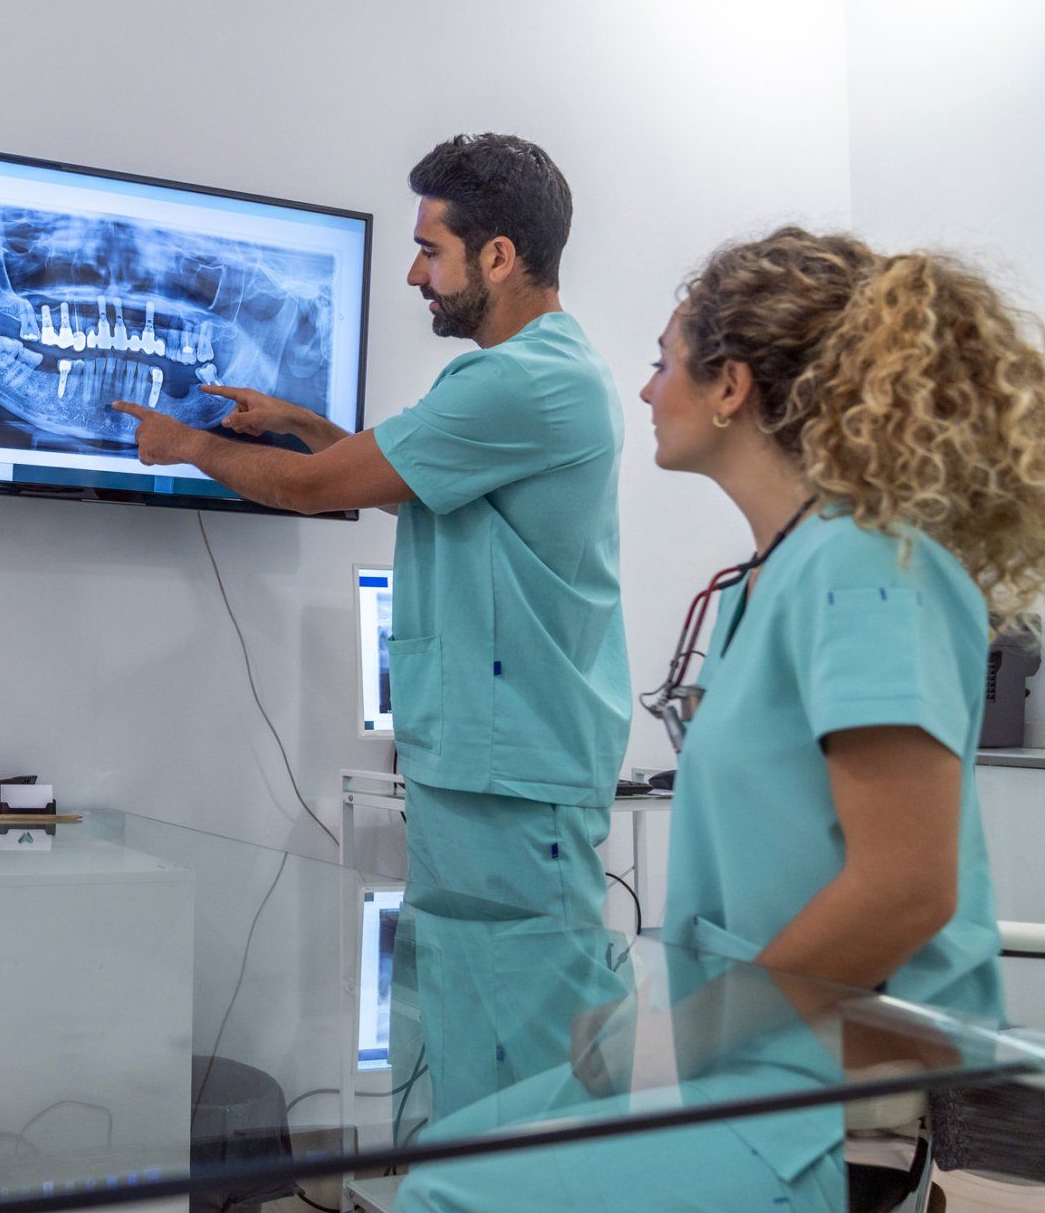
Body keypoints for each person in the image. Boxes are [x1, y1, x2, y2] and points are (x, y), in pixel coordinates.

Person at [404, 228, 1045, 1210]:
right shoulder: (764, 584)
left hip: (834, 1105)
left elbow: (907, 888)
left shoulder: (865, 566)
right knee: (452, 1151)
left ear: (731, 386)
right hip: (757, 1059)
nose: (648, 388)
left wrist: (690, 1031)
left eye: (664, 363)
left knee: (450, 1194)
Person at [115, 134, 630, 1116]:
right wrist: (299, 421)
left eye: (430, 250)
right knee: (457, 1031)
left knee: (524, 1055)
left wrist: (186, 444)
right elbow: (415, 483)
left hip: (513, 774)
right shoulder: (520, 381)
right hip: (480, 765)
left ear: (500, 256)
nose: (413, 273)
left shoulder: (524, 380)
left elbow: (319, 489)